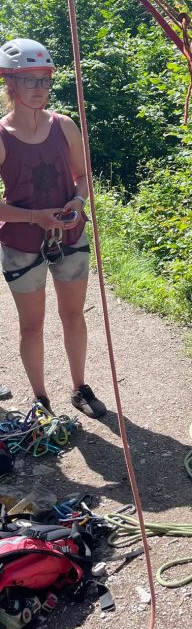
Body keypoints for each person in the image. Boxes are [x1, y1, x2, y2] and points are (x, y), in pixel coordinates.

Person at [0, 38, 106, 419]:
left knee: (74, 315)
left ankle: (79, 388)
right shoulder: (1, 136)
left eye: (43, 80)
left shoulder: (64, 126)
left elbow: (82, 176)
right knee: (32, 325)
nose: (39, 88)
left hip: (69, 237)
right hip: (22, 243)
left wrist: (77, 203)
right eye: (29, 81)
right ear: (9, 83)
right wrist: (34, 217)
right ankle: (41, 398)